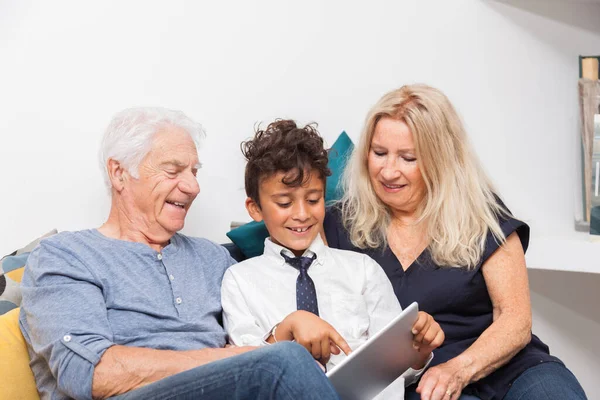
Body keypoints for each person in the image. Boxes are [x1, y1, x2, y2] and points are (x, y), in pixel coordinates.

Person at [19, 108, 340, 400]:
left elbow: (257, 346)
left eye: (194, 172)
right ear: (119, 173)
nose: (192, 187)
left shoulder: (212, 259)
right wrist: (234, 358)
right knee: (281, 363)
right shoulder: (65, 257)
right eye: (173, 171)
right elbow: (89, 373)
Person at [323, 84, 588, 400]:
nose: (388, 171)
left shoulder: (482, 215)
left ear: (440, 159)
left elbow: (515, 320)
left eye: (408, 158)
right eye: (379, 153)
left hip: (508, 367)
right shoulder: (339, 224)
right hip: (419, 381)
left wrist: (461, 368)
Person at [221, 119, 444, 397]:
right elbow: (244, 367)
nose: (302, 214)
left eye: (313, 200)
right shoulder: (239, 280)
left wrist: (417, 352)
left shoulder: (362, 270)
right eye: (284, 203)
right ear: (255, 208)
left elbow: (399, 369)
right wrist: (285, 330)